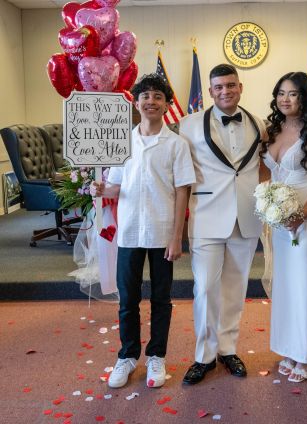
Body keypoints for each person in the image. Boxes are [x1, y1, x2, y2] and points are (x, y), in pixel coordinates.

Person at [92, 73, 196, 389]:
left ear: (166, 105)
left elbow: (182, 190)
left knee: (161, 299)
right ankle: (127, 355)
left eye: (157, 96)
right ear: (137, 103)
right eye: (145, 96)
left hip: (162, 233)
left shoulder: (176, 144)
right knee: (128, 299)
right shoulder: (124, 142)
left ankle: (157, 356)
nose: (150, 101)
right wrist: (101, 188)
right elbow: (117, 186)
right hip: (129, 234)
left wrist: (177, 235)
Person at [179, 64, 267, 385]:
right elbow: (177, 172)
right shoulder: (187, 126)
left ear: (240, 87)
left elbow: (264, 166)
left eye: (231, 85)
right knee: (204, 288)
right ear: (211, 91)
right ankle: (204, 355)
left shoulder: (260, 124)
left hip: (245, 217)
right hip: (206, 216)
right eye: (219, 87)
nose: (225, 91)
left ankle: (228, 349)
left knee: (235, 289)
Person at [260, 72, 307, 383]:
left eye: (292, 93)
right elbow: (267, 174)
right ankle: (290, 348)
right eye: (280, 93)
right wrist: (268, 203)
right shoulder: (271, 131)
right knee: (287, 284)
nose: (285, 99)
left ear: (304, 98)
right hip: (281, 218)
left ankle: (306, 354)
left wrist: (302, 215)